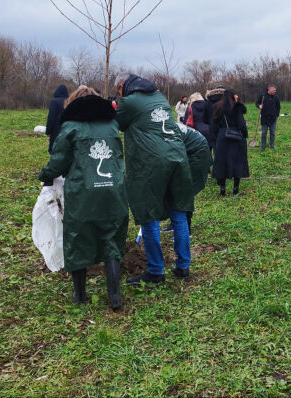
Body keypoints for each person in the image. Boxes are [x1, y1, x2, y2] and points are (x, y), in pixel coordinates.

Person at [38, 86, 128, 308]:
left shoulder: (70, 127)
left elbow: (58, 161)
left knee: (78, 237)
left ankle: (80, 295)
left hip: (82, 193)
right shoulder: (112, 126)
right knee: (111, 237)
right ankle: (115, 295)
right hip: (113, 190)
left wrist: (45, 175)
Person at [115, 74, 194, 285]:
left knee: (148, 213)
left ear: (122, 87)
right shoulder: (159, 97)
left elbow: (117, 124)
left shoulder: (129, 102)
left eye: (118, 91)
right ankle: (183, 266)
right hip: (178, 156)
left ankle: (156, 271)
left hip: (151, 163)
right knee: (178, 212)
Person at [211, 89, 250, 196]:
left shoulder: (217, 107)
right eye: (236, 94)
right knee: (238, 162)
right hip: (236, 137)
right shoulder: (237, 108)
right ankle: (235, 190)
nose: (237, 96)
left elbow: (213, 125)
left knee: (221, 163)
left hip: (222, 136)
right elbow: (241, 124)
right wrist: (245, 135)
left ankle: (222, 190)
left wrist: (215, 138)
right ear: (232, 96)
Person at [175, 122, 212, 234]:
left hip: (197, 154)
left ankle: (186, 228)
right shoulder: (164, 126)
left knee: (185, 191)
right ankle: (175, 223)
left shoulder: (167, 130)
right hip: (189, 151)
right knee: (176, 189)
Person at [255, 85, 281, 151]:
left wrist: (276, 115)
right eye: (274, 90)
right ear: (269, 90)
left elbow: (278, 106)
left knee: (272, 133)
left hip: (273, 118)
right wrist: (259, 106)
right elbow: (257, 103)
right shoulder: (262, 96)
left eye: (275, 90)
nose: (275, 91)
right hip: (264, 118)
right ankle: (263, 147)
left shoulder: (276, 97)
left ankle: (271, 145)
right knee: (264, 133)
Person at [45, 84, 69, 154]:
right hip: (68, 130)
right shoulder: (69, 101)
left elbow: (51, 118)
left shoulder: (55, 102)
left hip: (57, 131)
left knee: (54, 151)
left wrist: (48, 131)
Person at [203, 85, 225, 151]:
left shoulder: (207, 103)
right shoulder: (229, 101)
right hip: (227, 130)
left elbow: (204, 119)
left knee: (216, 150)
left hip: (213, 130)